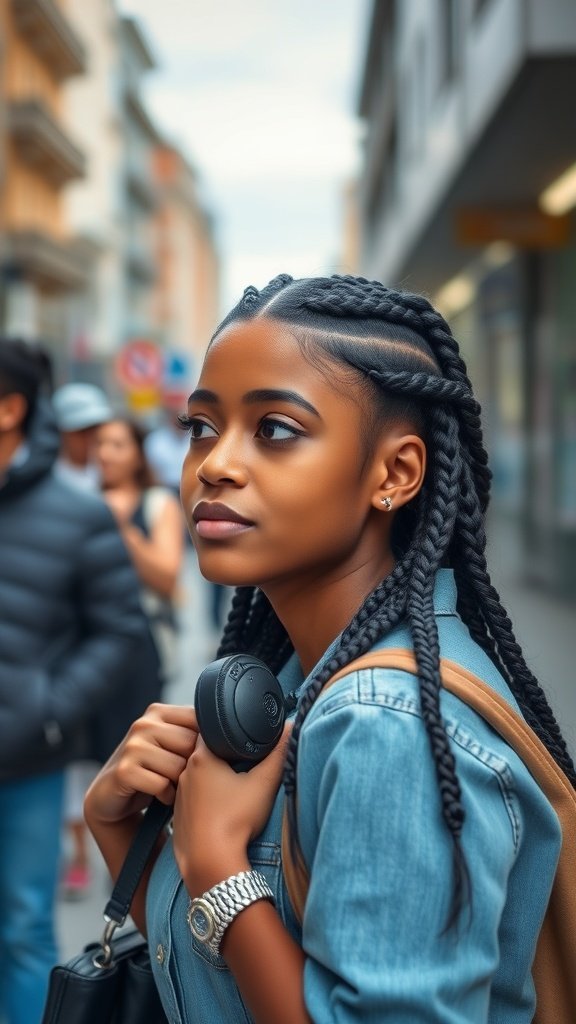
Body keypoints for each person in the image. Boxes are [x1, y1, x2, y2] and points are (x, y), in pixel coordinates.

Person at [84, 275, 573, 1024]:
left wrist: (216, 859)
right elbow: (221, 989)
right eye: (201, 427)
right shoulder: (299, 678)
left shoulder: (387, 724)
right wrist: (120, 831)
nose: (215, 463)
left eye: (275, 429)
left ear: (395, 474)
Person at [0, 338, 148, 1024]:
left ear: (10, 408)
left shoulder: (79, 514)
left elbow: (120, 628)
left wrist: (49, 710)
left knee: (24, 929)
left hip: (26, 758)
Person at [51, 381, 114, 898]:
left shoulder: (115, 479)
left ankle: (121, 845)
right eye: (81, 430)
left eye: (95, 428)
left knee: (114, 741)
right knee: (73, 754)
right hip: (66, 634)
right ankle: (77, 849)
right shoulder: (46, 483)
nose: (89, 439)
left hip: (112, 634)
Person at [52, 382, 112, 491]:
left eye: (96, 429)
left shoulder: (114, 472)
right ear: (61, 432)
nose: (91, 437)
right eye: (82, 431)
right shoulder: (48, 476)